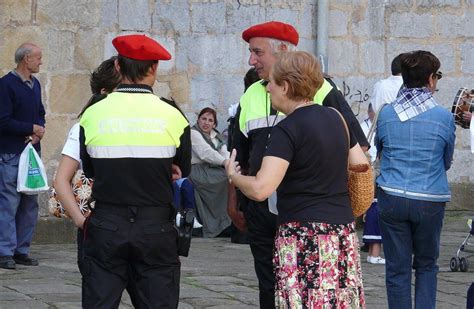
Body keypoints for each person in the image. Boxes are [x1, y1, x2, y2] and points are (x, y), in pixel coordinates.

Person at [228, 20, 368, 308]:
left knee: (297, 295)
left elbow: (258, 184)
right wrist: (236, 203)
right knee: (290, 289)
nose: (252, 61)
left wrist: (234, 178)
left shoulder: (319, 99)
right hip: (306, 220)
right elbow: (360, 162)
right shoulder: (252, 93)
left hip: (299, 223)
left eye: (258, 52)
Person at [78, 34, 191, 308]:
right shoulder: (173, 114)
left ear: (117, 66)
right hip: (155, 226)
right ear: (154, 69)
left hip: (107, 222)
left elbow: (90, 169)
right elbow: (182, 170)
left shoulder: (93, 113)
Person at [375, 50, 456, 308]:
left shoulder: (387, 113)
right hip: (430, 198)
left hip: (392, 195)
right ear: (431, 79)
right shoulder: (444, 117)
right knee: (426, 265)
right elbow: (446, 161)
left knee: (397, 269)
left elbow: (381, 149)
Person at [0, 43, 45, 270]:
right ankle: (4, 251)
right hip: (10, 153)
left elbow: (40, 114)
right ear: (26, 59)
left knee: (30, 203)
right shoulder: (5, 85)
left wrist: (38, 132)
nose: (40, 61)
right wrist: (31, 128)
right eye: (37, 57)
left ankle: (21, 250)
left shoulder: (35, 85)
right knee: (8, 203)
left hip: (31, 154)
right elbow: (3, 120)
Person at [189, 107, 231, 237]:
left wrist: (232, 164)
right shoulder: (193, 133)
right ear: (198, 119)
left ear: (214, 124)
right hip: (196, 170)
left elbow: (224, 152)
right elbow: (205, 153)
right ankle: (216, 223)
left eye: (210, 120)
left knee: (230, 177)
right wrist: (225, 163)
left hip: (212, 168)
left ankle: (226, 222)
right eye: (203, 119)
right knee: (224, 178)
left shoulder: (216, 135)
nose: (206, 123)